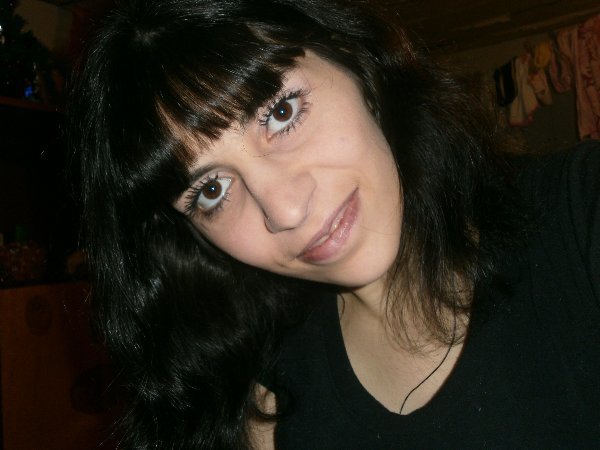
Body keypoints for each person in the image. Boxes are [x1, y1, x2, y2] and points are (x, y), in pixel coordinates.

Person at [69, 0, 600, 448]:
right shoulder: (263, 400)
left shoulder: (579, 211)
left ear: (354, 61)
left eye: (280, 112)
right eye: (211, 190)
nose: (286, 210)